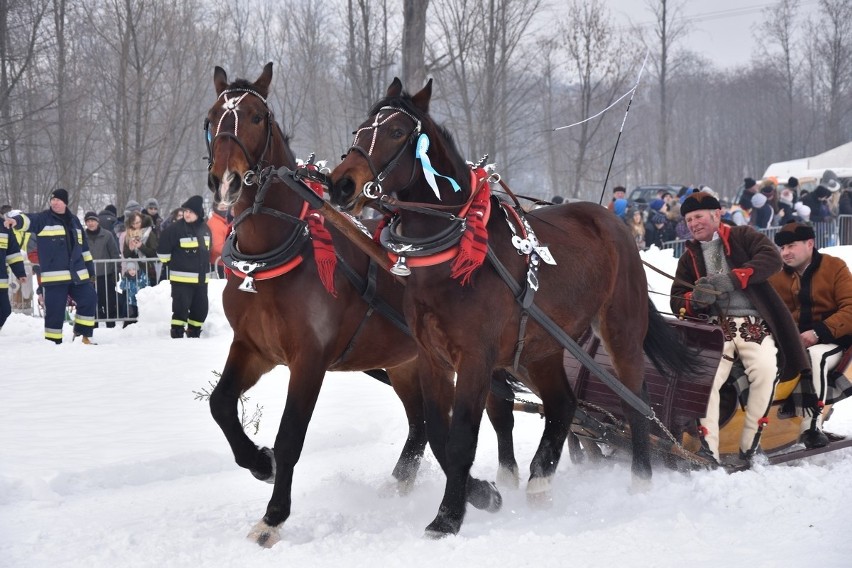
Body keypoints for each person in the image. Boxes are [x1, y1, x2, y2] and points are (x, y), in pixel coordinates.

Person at [670, 191, 808, 465]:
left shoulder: (743, 235)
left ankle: (750, 446)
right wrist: (696, 300)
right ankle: (708, 451)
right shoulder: (688, 257)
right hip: (713, 329)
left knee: (766, 372)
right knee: (705, 380)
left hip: (753, 325)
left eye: (698, 217)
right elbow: (677, 298)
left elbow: (771, 258)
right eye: (688, 219)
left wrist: (734, 279)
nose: (694, 223)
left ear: (716, 214)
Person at [768, 222, 852, 448]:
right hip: (792, 342)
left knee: (816, 356)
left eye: (791, 246)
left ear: (810, 244)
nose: (785, 252)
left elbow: (850, 307)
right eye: (782, 247)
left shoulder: (835, 267)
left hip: (834, 341)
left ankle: (811, 426)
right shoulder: (776, 276)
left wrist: (818, 332)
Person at [3, 188, 98, 344]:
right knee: (55, 311)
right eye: (52, 200)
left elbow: (84, 249)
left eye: (58, 200)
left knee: (89, 298)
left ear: (65, 203)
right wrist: (17, 221)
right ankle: (53, 343)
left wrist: (90, 271)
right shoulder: (44, 218)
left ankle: (83, 335)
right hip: (55, 277)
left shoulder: (74, 221)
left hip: (77, 275)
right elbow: (29, 220)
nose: (54, 202)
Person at [157, 195, 212, 338]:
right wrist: (174, 264)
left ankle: (194, 334)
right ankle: (177, 335)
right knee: (180, 310)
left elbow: (208, 251)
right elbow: (162, 252)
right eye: (185, 211)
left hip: (201, 281)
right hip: (181, 281)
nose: (187, 214)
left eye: (190, 211)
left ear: (198, 213)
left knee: (200, 310)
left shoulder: (206, 229)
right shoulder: (174, 229)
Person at [84, 211, 123, 327]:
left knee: (108, 301)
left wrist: (116, 271)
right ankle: (93, 323)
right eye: (88, 221)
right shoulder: (82, 236)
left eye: (93, 221)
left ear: (97, 222)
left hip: (106, 274)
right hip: (89, 275)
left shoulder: (107, 235)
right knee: (91, 300)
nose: (91, 223)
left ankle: (110, 324)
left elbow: (115, 254)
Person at [1, 218, 27, 330]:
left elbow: (13, 253)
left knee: (4, 310)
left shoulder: (4, 226)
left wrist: (20, 272)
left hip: (1, 279)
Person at [122, 211, 159, 284]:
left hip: (149, 269)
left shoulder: (149, 233)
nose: (136, 225)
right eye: (133, 223)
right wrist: (130, 249)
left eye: (138, 222)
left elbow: (154, 252)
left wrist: (141, 247)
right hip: (134, 271)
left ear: (142, 221)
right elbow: (125, 255)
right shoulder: (128, 235)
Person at [118, 260, 148, 327]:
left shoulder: (142, 276)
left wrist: (143, 286)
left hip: (140, 300)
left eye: (134, 269)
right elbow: (122, 286)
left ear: (137, 269)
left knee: (139, 313)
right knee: (130, 313)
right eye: (130, 270)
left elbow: (147, 284)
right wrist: (124, 278)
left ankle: (138, 325)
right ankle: (128, 325)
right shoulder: (126, 278)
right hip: (130, 300)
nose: (132, 271)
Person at [207, 201, 231, 278]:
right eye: (221, 208)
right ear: (215, 208)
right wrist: (233, 252)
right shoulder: (215, 224)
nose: (224, 210)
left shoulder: (222, 221)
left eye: (226, 208)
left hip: (222, 263)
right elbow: (217, 247)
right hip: (218, 264)